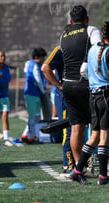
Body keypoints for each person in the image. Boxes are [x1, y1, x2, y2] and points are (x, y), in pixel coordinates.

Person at [70, 21, 109, 185]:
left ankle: (78, 170)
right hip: (107, 96)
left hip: (93, 96)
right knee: (104, 138)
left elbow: (84, 71)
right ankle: (103, 176)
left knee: (94, 136)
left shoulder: (92, 49)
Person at [60, 5, 101, 164]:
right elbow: (99, 52)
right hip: (87, 84)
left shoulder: (63, 35)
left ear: (71, 21)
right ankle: (102, 164)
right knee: (100, 127)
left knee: (76, 128)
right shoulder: (91, 30)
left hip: (68, 85)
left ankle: (79, 166)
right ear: (87, 19)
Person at [41, 44, 74, 174]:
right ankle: (68, 164)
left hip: (80, 94)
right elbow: (45, 68)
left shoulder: (85, 46)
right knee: (69, 130)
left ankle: (81, 162)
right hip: (65, 96)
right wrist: (59, 85)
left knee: (81, 129)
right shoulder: (60, 49)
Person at [21, 48, 47, 144]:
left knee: (35, 116)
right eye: (42, 58)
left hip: (31, 94)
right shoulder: (35, 66)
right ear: (36, 57)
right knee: (34, 116)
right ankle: (31, 136)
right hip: (32, 94)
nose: (43, 60)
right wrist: (43, 90)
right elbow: (38, 79)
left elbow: (25, 70)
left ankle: (26, 135)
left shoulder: (28, 64)